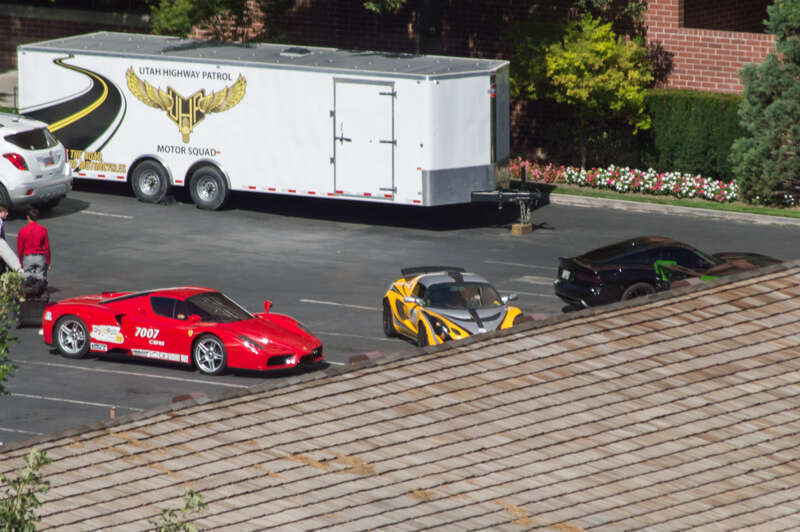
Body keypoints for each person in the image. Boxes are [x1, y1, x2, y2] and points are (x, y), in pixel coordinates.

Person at [17, 207, 50, 282]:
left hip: (28, 257)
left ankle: (30, 291)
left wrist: (21, 261)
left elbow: (20, 248)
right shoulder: (43, 230)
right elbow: (46, 247)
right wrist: (48, 262)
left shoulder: (22, 231)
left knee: (27, 277)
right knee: (41, 277)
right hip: (40, 257)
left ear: (28, 217)